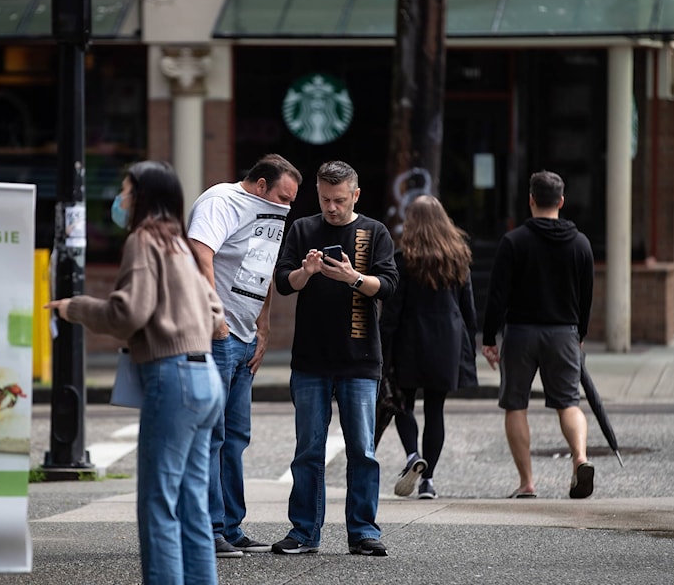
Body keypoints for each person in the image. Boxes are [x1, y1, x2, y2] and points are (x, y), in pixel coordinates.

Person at [45, 160, 225, 584]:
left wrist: (76, 307)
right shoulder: (178, 243)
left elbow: (129, 313)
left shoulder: (143, 241)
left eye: (126, 191)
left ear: (143, 197)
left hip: (173, 377)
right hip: (206, 377)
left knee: (158, 503)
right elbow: (216, 310)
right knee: (191, 501)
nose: (120, 199)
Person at [271, 160, 398, 557]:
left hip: (359, 357)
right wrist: (306, 273)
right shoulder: (303, 228)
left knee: (362, 449)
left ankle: (363, 530)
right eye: (325, 199)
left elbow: (389, 286)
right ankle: (304, 531)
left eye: (340, 200)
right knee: (308, 449)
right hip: (310, 358)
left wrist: (352, 278)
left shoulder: (373, 232)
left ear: (355, 195)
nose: (331, 208)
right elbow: (282, 281)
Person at [187, 153, 303, 557]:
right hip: (219, 335)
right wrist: (214, 315)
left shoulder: (273, 212)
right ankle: (209, 529)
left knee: (235, 437)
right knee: (212, 435)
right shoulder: (222, 201)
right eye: (283, 197)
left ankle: (231, 527)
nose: (287, 206)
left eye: (291, 200)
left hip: (246, 336)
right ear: (259, 185)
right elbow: (201, 253)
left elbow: (264, 266)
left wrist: (264, 325)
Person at [480, 170, 596, 500]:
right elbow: (586, 296)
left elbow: (497, 295)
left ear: (530, 200)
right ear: (561, 201)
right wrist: (580, 333)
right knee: (569, 403)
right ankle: (580, 459)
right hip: (563, 333)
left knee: (515, 405)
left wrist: (489, 338)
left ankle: (527, 483)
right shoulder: (581, 244)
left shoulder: (514, 242)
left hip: (520, 334)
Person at [376, 195, 478, 500]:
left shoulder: (403, 259)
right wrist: (469, 346)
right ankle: (428, 481)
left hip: (410, 341)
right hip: (448, 341)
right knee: (436, 409)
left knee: (402, 403)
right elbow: (468, 308)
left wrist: (382, 350)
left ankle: (412, 456)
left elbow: (392, 312)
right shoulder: (458, 256)